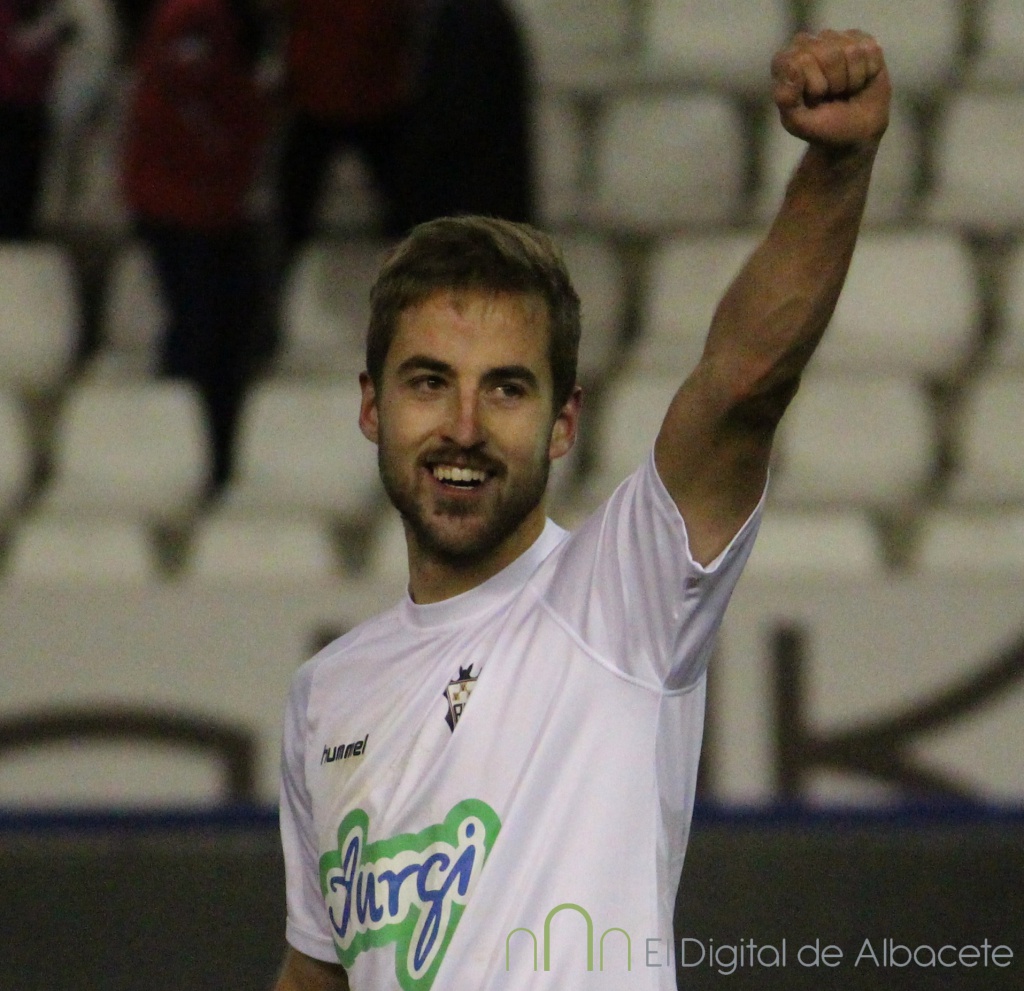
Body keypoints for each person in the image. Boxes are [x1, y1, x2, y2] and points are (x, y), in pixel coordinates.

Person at [273, 28, 891, 991]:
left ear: (563, 423)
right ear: (372, 407)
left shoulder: (619, 598)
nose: (464, 426)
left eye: (507, 388)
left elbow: (742, 388)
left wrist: (837, 167)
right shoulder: (325, 694)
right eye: (430, 382)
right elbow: (320, 972)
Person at [121, 0, 274, 491]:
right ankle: (193, 456)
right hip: (186, 210)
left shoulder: (207, 21)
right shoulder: (192, 19)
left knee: (217, 334)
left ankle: (209, 455)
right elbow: (190, 98)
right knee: (200, 334)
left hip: (206, 208)